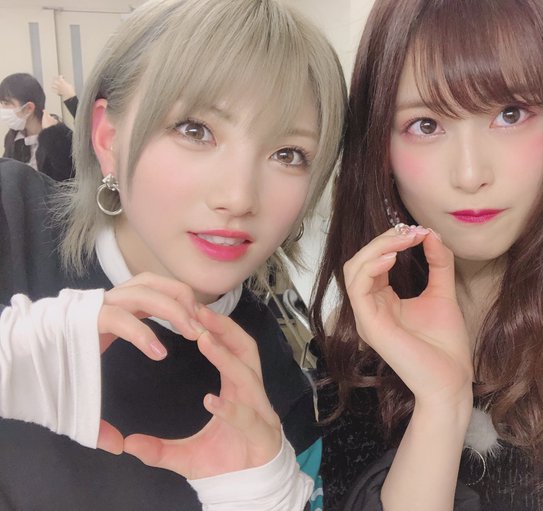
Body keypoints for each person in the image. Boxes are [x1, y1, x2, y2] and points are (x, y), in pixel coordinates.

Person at [310, 0, 543, 509]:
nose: (470, 174)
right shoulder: (357, 344)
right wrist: (441, 404)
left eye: (510, 114)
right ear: (380, 150)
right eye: (425, 125)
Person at [0, 0, 345, 509]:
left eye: (288, 154)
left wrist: (265, 498)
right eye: (195, 130)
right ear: (108, 137)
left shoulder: (275, 389)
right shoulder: (11, 220)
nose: (239, 197)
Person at [0, 72, 74, 180]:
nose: (2, 109)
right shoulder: (13, 136)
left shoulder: (59, 135)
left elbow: (69, 177)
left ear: (29, 108)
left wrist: (51, 135)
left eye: (6, 104)